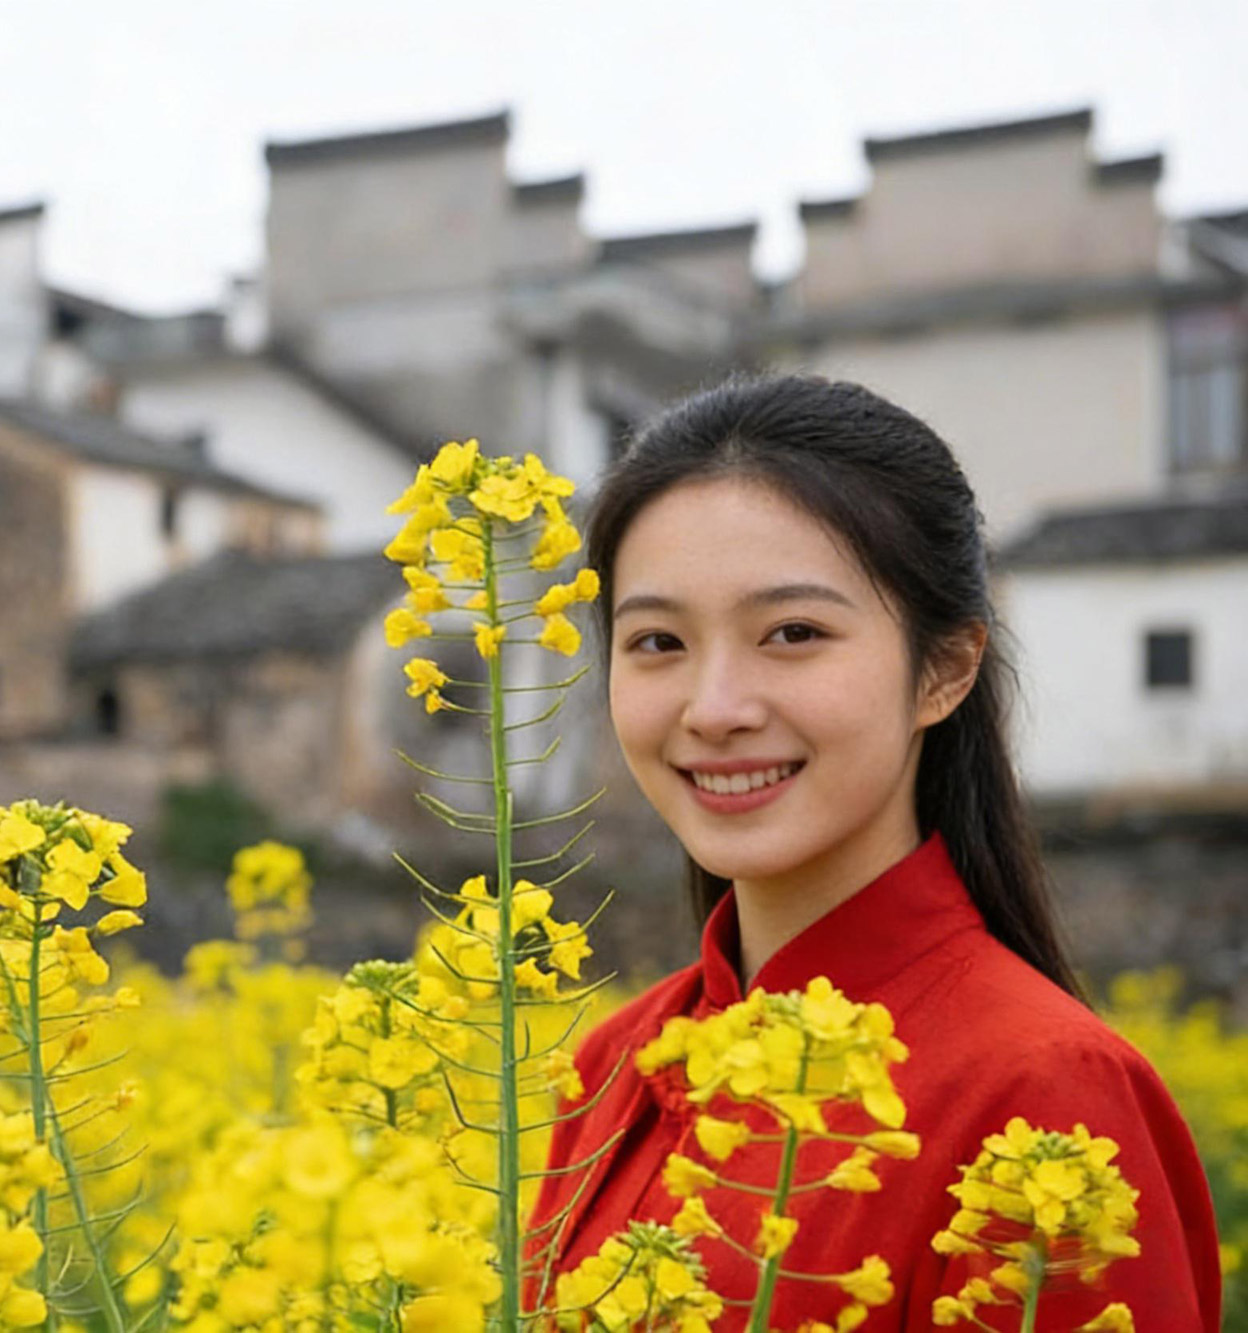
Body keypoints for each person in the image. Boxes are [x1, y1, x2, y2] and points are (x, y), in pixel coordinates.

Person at [523, 375, 1222, 1329]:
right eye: (657, 641)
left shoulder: (1048, 1094)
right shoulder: (609, 1069)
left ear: (944, 670)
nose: (715, 707)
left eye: (794, 632)